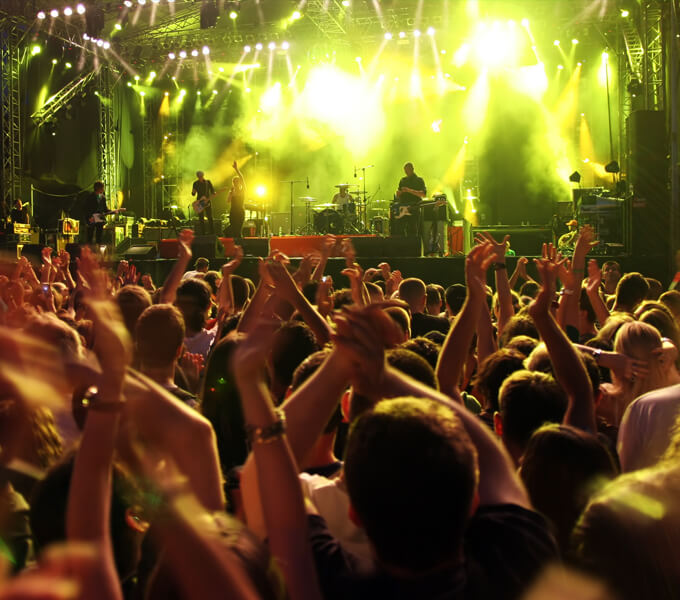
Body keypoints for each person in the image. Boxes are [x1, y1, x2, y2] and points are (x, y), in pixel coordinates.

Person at [392, 162, 426, 238]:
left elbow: (423, 194)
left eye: (408, 170)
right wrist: (399, 193)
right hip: (403, 207)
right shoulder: (403, 180)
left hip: (414, 207)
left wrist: (409, 190)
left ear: (412, 169)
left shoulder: (419, 180)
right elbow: (398, 194)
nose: (406, 172)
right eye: (405, 170)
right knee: (399, 229)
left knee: (412, 229)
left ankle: (413, 246)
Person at [192, 170, 216, 235]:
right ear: (197, 176)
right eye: (199, 176)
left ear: (203, 176)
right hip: (199, 202)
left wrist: (213, 193)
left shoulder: (208, 182)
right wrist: (193, 192)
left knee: (210, 217)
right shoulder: (195, 183)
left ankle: (212, 232)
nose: (200, 177)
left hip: (207, 201)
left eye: (201, 176)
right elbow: (193, 194)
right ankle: (203, 233)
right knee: (201, 218)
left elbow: (212, 190)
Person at [227, 161, 245, 240]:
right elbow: (228, 201)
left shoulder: (242, 191)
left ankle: (240, 243)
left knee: (238, 229)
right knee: (233, 229)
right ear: (233, 183)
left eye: (237, 182)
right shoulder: (231, 191)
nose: (236, 183)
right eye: (235, 182)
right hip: (233, 211)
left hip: (240, 211)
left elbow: (242, 178)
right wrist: (230, 194)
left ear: (240, 183)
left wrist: (236, 169)